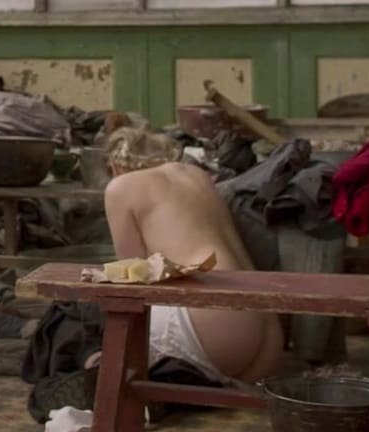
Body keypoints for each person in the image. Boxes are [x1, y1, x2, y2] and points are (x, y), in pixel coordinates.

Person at [95, 127, 284, 384]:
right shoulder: (196, 175)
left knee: (87, 326)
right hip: (266, 330)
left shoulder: (121, 186)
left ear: (116, 165)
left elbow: (132, 278)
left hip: (213, 326)